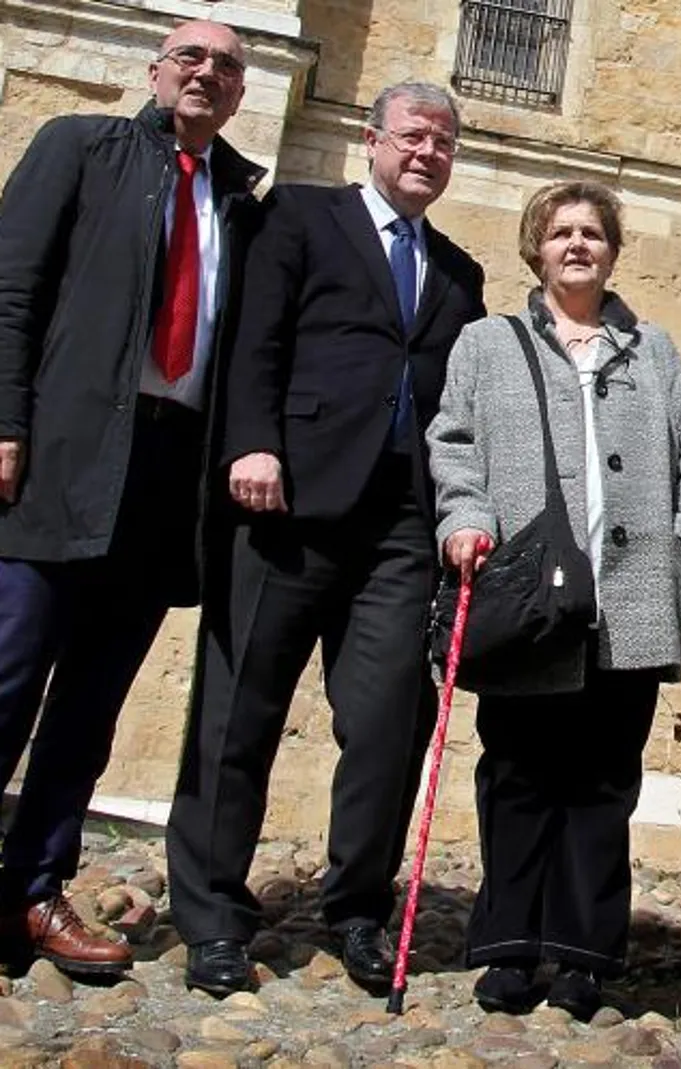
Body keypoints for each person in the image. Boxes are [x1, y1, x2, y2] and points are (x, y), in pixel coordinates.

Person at [165, 82, 487, 998]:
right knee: (239, 716)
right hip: (287, 501)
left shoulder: (460, 273)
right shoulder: (301, 217)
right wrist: (251, 443)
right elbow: (252, 338)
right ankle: (215, 916)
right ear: (371, 139)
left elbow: (456, 410)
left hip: (399, 524)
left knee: (392, 717)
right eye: (414, 136)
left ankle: (357, 907)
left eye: (444, 142)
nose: (427, 152)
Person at [0, 19, 262, 978]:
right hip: (63, 457)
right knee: (8, 672)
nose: (207, 73)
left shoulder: (242, 197)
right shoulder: (81, 147)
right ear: (156, 70)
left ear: (239, 92)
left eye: (226, 66)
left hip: (163, 482)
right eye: (190, 57)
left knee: (90, 707)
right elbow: (11, 287)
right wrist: (5, 420)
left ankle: (30, 889)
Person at [428, 180, 681, 1022]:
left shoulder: (653, 350)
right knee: (519, 774)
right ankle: (510, 949)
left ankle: (585, 954)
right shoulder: (488, 344)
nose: (577, 244)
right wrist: (467, 520)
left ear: (611, 250)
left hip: (630, 600)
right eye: (561, 232)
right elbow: (453, 445)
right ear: (537, 249)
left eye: (592, 232)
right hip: (528, 597)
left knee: (602, 783)